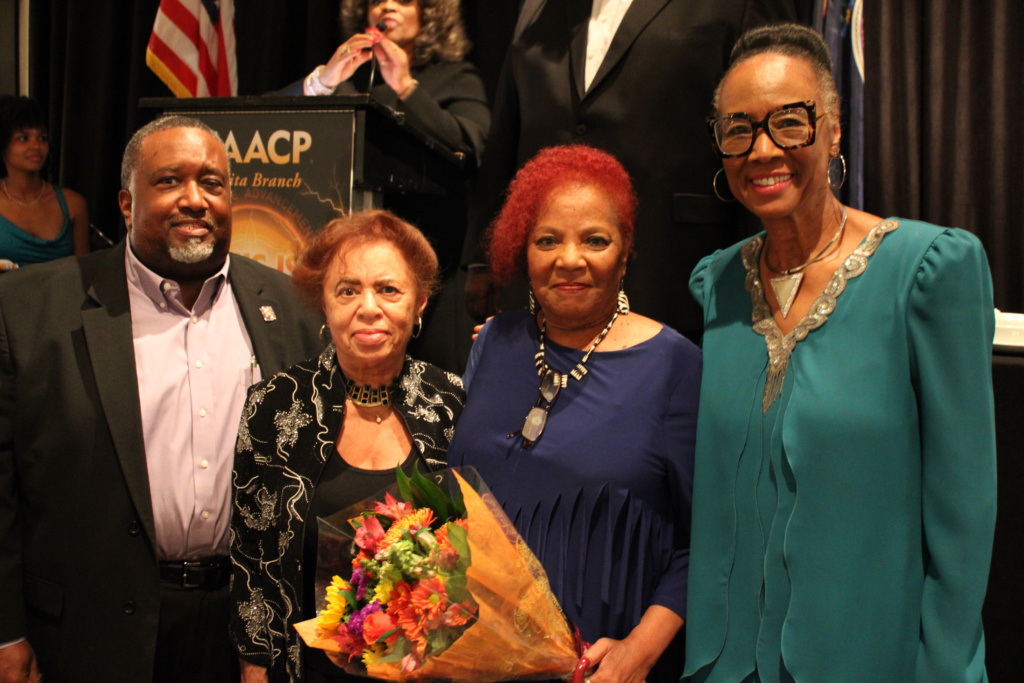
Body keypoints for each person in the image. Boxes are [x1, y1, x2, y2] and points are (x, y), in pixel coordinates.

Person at [684, 23, 996, 682]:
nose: (762, 150)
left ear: (833, 131)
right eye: (738, 130)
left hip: (872, 661)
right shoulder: (717, 285)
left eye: (789, 123)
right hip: (727, 665)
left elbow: (963, 516)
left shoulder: (927, 271)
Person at [0, 115, 323, 683]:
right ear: (127, 204)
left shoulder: (292, 306)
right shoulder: (28, 309)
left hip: (243, 635)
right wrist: (6, 631)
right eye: (170, 180)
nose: (195, 199)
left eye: (212, 183)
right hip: (90, 633)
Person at [447, 145, 701, 683]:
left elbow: (706, 541)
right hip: (472, 661)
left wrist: (639, 651)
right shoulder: (493, 342)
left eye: (594, 240)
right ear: (523, 251)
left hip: (602, 669)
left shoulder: (675, 367)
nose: (569, 259)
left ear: (625, 253)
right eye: (547, 240)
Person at [462, 0, 799, 342]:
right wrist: (482, 259)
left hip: (673, 265)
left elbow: (776, 110)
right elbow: (508, 127)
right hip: (548, 281)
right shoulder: (538, 7)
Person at [230, 210, 465, 683]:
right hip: (306, 671)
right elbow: (250, 553)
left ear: (419, 302)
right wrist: (254, 667)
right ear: (323, 301)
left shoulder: (452, 403)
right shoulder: (274, 405)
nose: (368, 307)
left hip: (431, 670)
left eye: (389, 289)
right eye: (348, 290)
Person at [276, 0, 489, 167]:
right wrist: (322, 82)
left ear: (428, 14)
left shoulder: (456, 76)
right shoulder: (348, 77)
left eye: (403, 0)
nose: (387, 6)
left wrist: (406, 87)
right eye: (376, 0)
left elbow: (474, 147)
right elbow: (262, 125)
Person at [0, 95, 88, 268]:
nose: (36, 146)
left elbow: (86, 273)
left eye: (42, 138)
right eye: (23, 138)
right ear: (3, 145)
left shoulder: (73, 204)